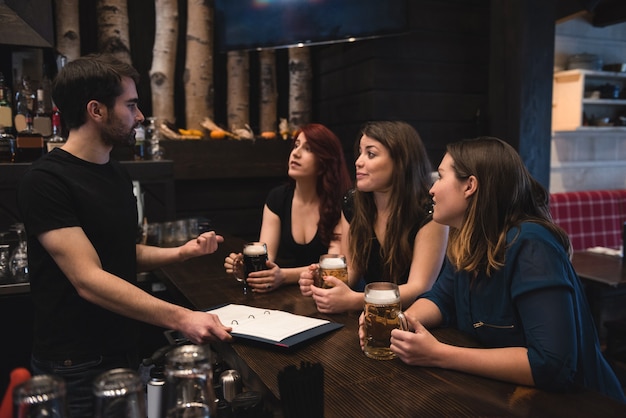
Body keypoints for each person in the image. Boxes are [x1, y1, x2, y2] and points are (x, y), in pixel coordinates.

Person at [17, 54, 233, 417]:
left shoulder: (114, 173)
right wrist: (182, 318)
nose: (141, 116)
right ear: (96, 110)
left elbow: (119, 253)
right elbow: (88, 279)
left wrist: (183, 252)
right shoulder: (46, 182)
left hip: (122, 350)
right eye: (131, 105)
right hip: (75, 366)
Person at [360, 136, 625, 402]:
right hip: (509, 397)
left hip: (584, 404)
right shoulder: (469, 238)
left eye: (440, 177)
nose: (432, 189)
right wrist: (395, 324)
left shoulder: (531, 246)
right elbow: (441, 299)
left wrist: (438, 354)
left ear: (470, 186)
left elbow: (551, 365)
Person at [299, 121, 449, 313]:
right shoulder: (353, 202)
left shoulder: (429, 210)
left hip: (420, 317)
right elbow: (352, 270)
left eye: (370, 154)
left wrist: (354, 300)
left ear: (400, 162)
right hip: (372, 315)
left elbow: (419, 288)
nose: (358, 161)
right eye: (360, 152)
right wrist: (324, 282)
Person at [224, 123, 352, 292]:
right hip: (288, 296)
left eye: (308, 149)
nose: (296, 153)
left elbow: (332, 267)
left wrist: (283, 276)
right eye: (296, 145)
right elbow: (266, 259)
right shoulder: (278, 198)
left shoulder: (339, 202)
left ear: (324, 161)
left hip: (323, 293)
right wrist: (246, 268)